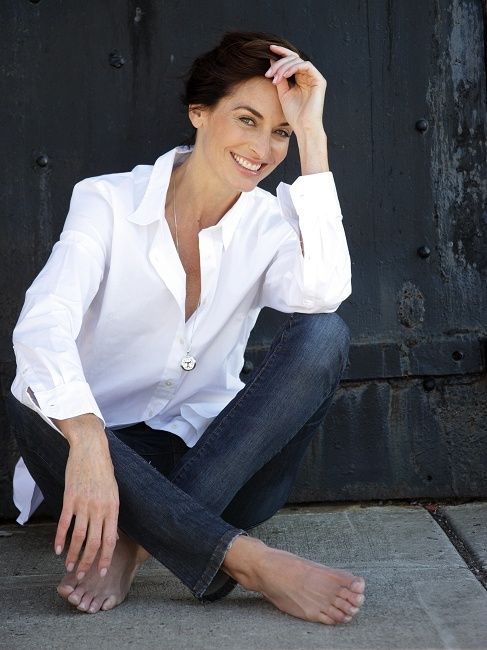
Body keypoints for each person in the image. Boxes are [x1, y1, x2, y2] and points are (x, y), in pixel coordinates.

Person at [8, 31, 365, 624]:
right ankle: (248, 561)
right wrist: (90, 443)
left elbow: (324, 293)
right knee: (31, 400)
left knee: (324, 335)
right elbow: (44, 322)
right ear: (199, 112)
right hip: (110, 470)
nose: (262, 149)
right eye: (247, 119)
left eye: (280, 132)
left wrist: (313, 135)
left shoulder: (270, 223)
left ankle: (137, 545)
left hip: (225, 463)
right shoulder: (106, 202)